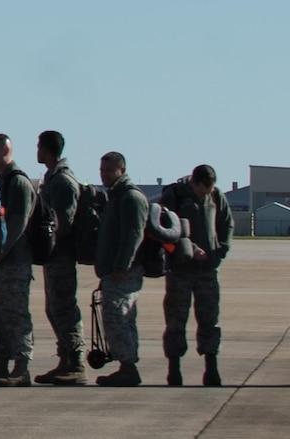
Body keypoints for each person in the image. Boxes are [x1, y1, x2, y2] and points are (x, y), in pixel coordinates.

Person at [0, 132, 38, 387]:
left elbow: (17, 225)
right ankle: (1, 364)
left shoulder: (18, 183)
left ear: (5, 151)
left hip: (14, 262)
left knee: (16, 315)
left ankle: (22, 367)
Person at [162, 163, 232, 387]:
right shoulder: (174, 196)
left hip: (207, 271)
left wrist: (220, 251)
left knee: (210, 319)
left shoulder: (216, 197)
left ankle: (211, 369)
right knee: (175, 320)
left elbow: (226, 224)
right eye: (203, 190)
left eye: (209, 190)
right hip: (180, 271)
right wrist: (190, 248)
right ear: (194, 182)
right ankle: (174, 370)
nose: (206, 194)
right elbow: (164, 229)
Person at [93, 150, 150, 387]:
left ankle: (128, 367)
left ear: (122, 171)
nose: (104, 175)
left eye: (109, 171)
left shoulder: (130, 198)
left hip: (123, 272)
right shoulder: (116, 196)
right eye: (102, 171)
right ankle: (127, 365)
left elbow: (133, 235)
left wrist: (121, 266)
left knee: (117, 318)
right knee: (121, 318)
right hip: (113, 271)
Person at [35, 130, 86, 384]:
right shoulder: (52, 177)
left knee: (64, 307)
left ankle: (75, 362)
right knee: (54, 307)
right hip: (52, 257)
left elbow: (62, 222)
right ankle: (65, 358)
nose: (37, 151)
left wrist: (47, 241)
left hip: (62, 255)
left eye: (39, 146)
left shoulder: (63, 181)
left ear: (47, 149)